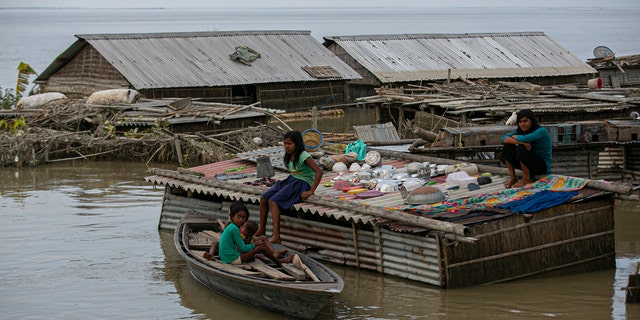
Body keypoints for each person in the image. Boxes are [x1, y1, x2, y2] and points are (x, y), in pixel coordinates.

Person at [256, 130, 323, 244]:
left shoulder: (303, 155)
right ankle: (261, 229)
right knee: (264, 198)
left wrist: (311, 191)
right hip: (292, 179)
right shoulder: (289, 155)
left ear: (297, 144)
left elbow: (319, 172)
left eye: (289, 144)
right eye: (285, 144)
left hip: (302, 182)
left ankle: (276, 235)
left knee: (273, 201)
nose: (286, 146)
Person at [217, 202, 292, 266]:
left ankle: (274, 258)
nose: (241, 220)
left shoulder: (231, 226)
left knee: (259, 246)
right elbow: (243, 248)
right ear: (232, 217)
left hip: (227, 257)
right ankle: (280, 262)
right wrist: (255, 244)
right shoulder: (234, 228)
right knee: (261, 247)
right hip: (231, 259)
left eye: (244, 218)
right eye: (239, 216)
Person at [500, 109, 552, 188]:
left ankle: (526, 179)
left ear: (531, 121)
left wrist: (520, 141)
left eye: (525, 121)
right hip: (530, 164)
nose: (523, 124)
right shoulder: (520, 132)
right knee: (508, 146)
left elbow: (526, 138)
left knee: (522, 147)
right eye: (520, 122)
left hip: (542, 166)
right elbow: (503, 139)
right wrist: (520, 142)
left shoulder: (541, 131)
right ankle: (513, 178)